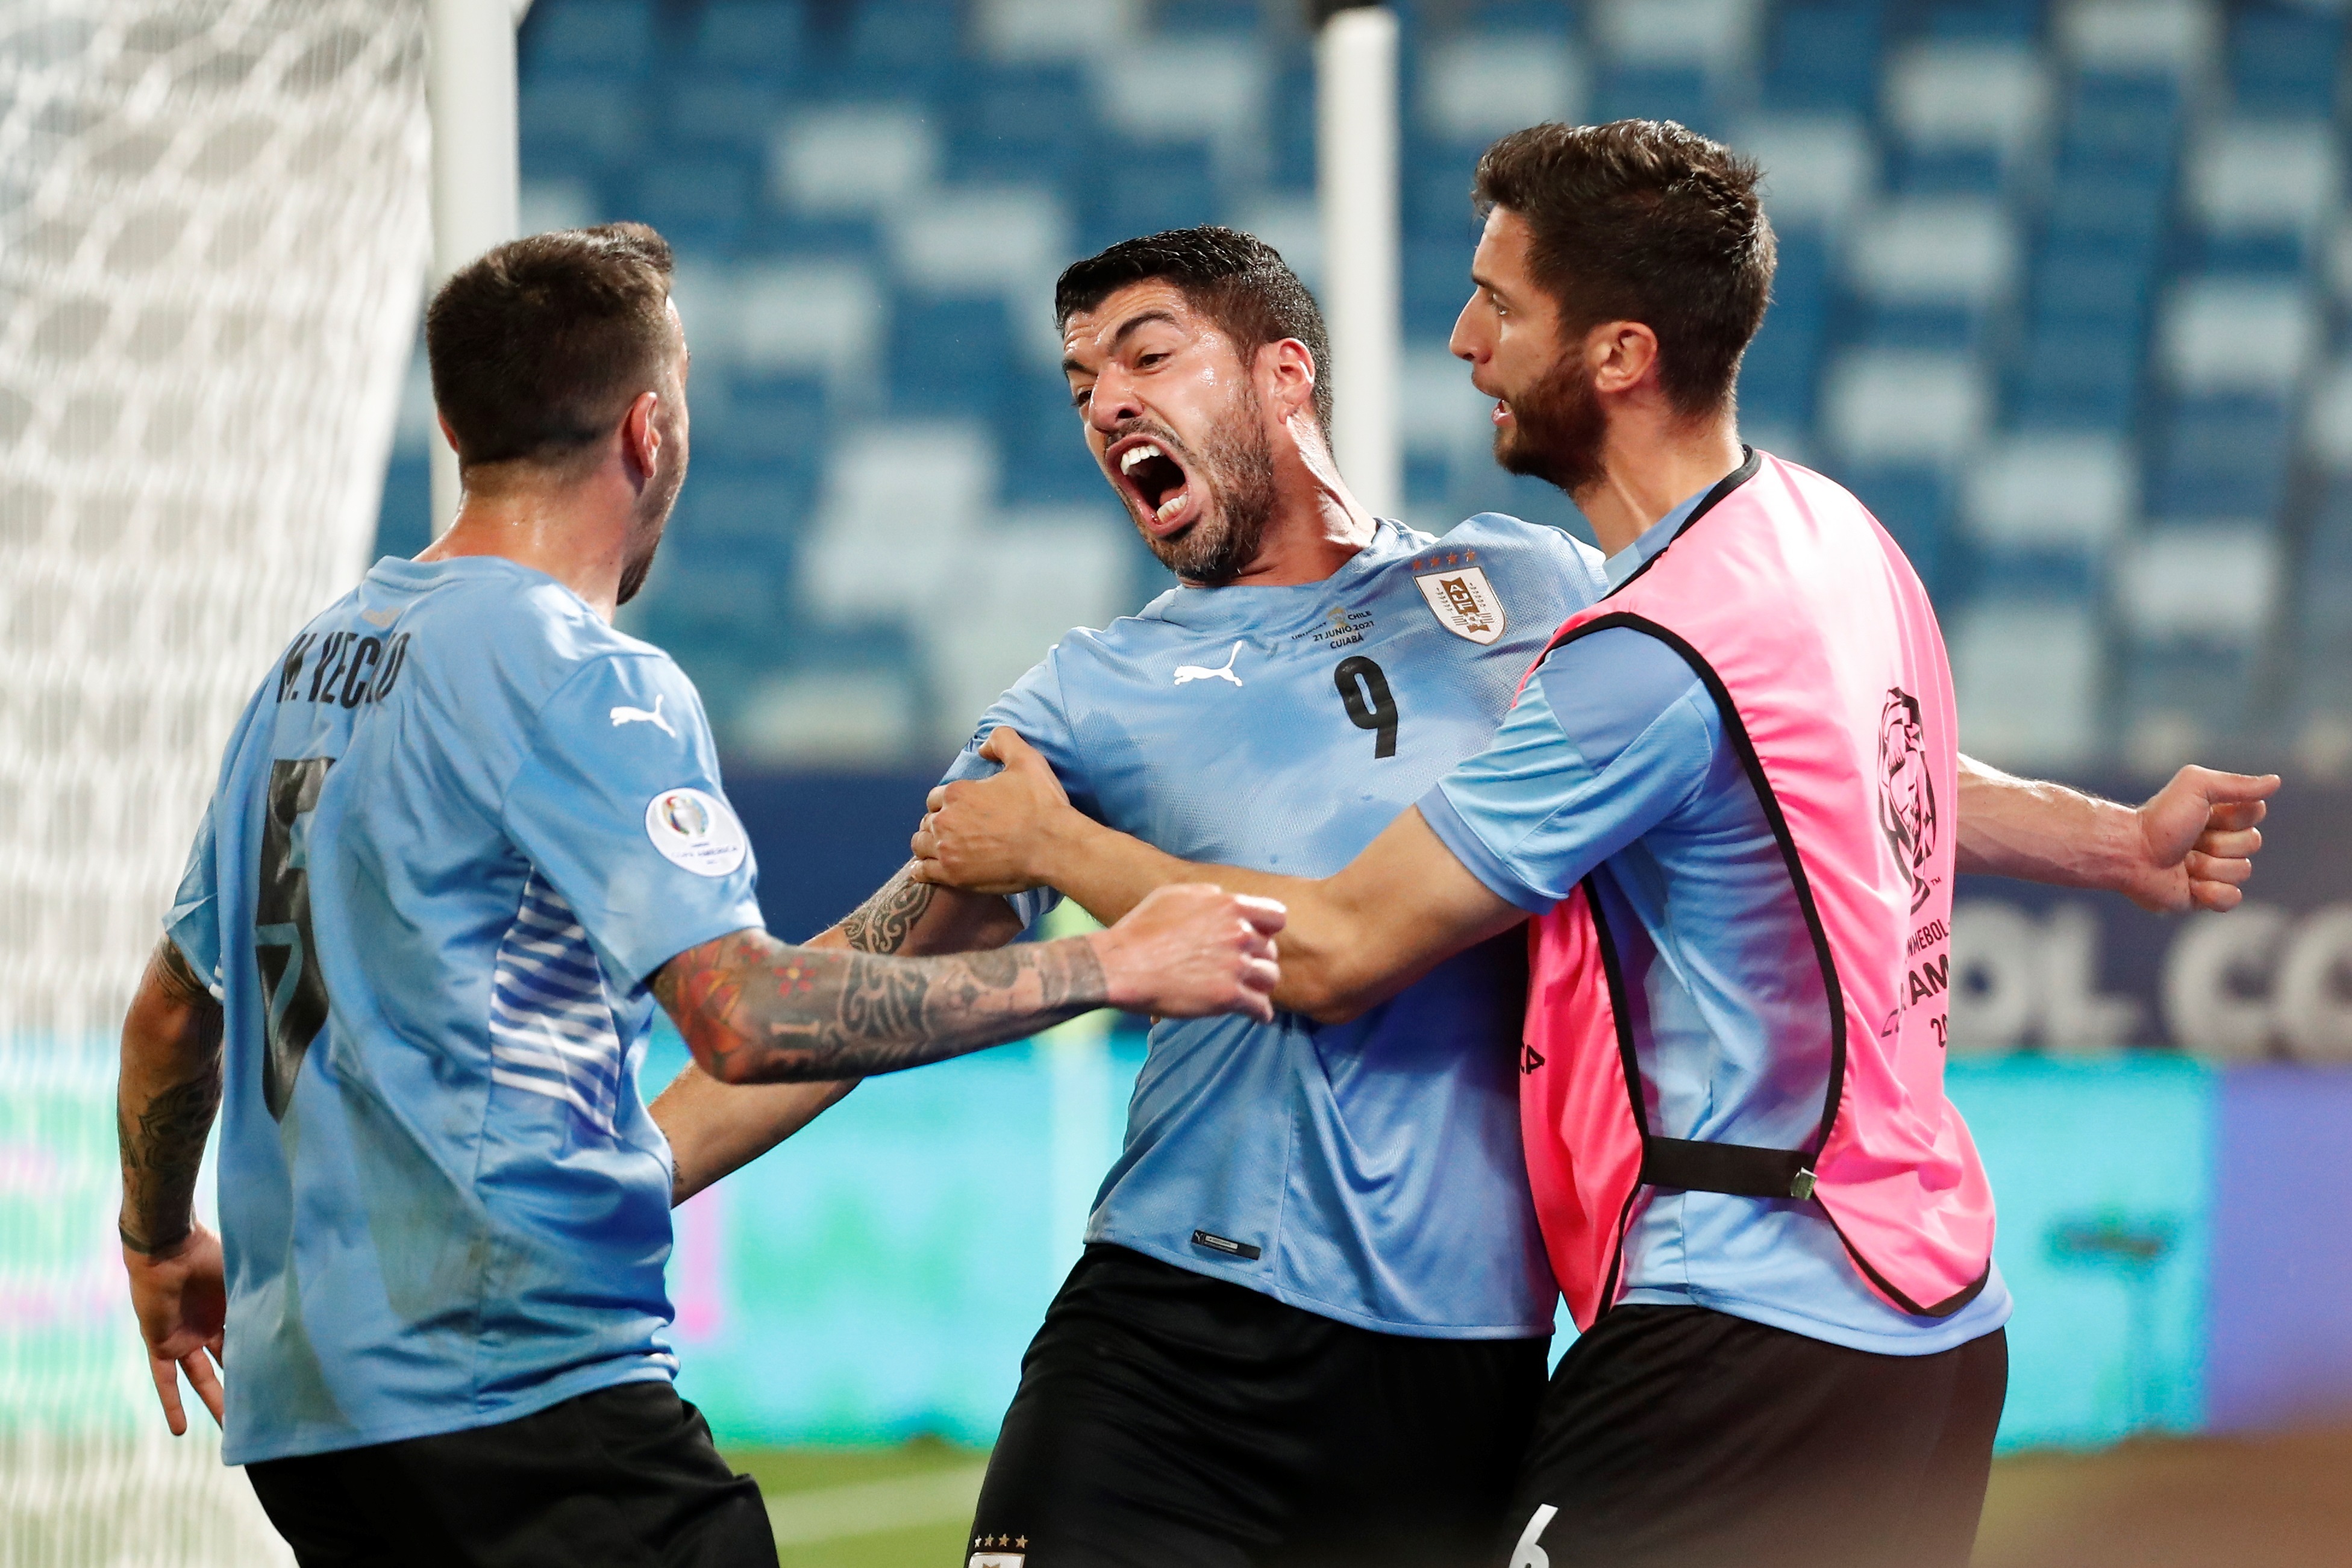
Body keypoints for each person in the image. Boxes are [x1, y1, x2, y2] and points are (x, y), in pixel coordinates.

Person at [666, 219, 2269, 1566]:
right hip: (1169, 1336)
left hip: (1469, 1383)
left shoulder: (1536, 589)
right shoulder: (1088, 696)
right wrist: (620, 1173)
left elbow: (1812, 763)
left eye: (1148, 356)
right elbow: (876, 981)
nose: (1105, 403)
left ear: (1283, 369)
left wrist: (2110, 842)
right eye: (1083, 381)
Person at [114, 222, 1284, 1568]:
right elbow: (748, 1014)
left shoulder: (312, 665)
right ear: (650, 429)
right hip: (521, 1398)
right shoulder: (584, 676)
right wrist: (1115, 964)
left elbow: (166, 1018)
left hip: (309, 1429)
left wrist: (156, 1240)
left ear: (452, 422)